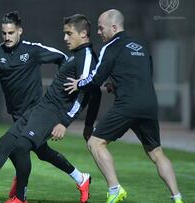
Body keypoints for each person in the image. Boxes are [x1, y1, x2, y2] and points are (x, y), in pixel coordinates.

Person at [0, 13, 100, 203]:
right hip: (33, 110)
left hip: (45, 110)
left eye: (11, 32)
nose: (7, 36)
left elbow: (88, 90)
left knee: (21, 147)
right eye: (4, 33)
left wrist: (64, 120)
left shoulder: (44, 52)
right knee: (10, 144)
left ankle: (19, 196)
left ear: (20, 31)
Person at [64, 9, 184, 203]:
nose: (99, 32)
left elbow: (95, 79)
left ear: (114, 27)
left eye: (101, 28)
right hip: (149, 104)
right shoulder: (141, 46)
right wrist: (117, 85)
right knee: (156, 153)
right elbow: (143, 74)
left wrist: (79, 83)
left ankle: (114, 189)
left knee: (95, 143)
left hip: (128, 104)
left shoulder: (110, 47)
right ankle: (177, 197)